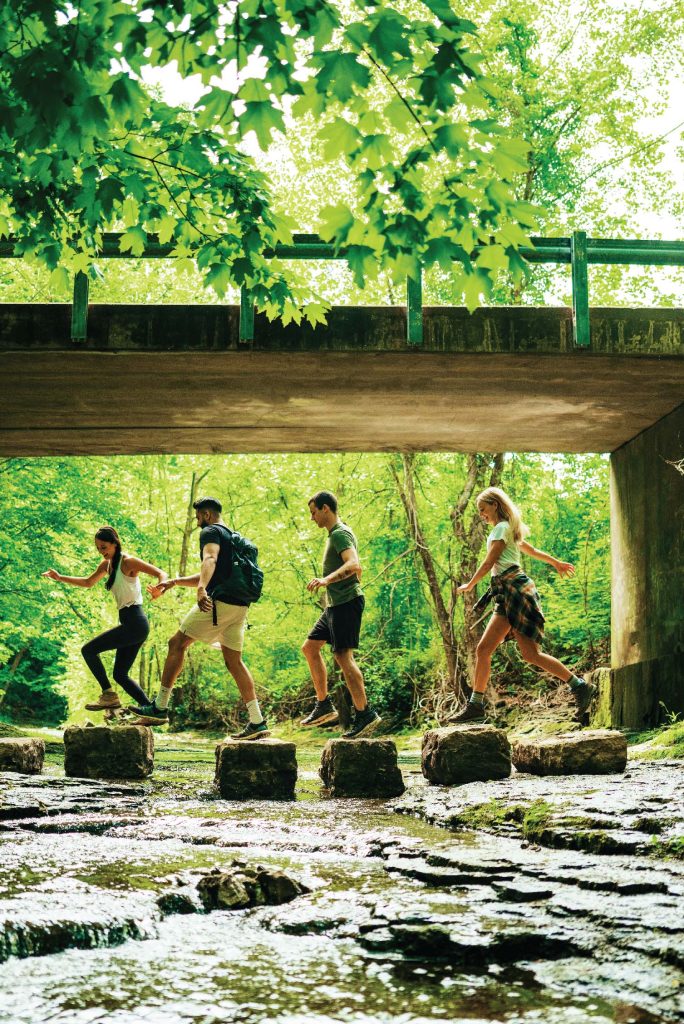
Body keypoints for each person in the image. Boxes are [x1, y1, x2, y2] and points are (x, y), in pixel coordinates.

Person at [130, 497, 269, 740]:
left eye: (197, 517)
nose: (197, 522)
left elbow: (209, 560)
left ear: (206, 514)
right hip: (240, 608)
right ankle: (257, 721)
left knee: (177, 643)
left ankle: (160, 707)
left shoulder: (210, 532)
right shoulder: (232, 537)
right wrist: (175, 582)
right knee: (234, 661)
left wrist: (202, 588)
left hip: (219, 604)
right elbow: (215, 571)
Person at [454, 486, 596, 723]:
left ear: (495, 505)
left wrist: (470, 584)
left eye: (483, 509)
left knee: (516, 652)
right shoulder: (507, 529)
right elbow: (530, 549)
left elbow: (490, 562)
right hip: (508, 594)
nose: (481, 515)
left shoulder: (501, 528)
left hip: (515, 592)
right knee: (512, 652)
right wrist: (555, 562)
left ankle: (579, 686)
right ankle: (476, 707)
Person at [42, 526, 167, 712]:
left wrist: (160, 588)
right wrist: (60, 578)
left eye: (104, 547)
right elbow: (87, 582)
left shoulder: (128, 561)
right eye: (98, 548)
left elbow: (161, 573)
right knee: (120, 674)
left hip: (135, 621)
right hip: (130, 624)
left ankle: (108, 695)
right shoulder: (106, 565)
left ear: (114, 543)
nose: (101, 552)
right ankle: (152, 709)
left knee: (88, 650)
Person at [300, 490, 381, 739]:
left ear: (326, 508)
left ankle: (364, 713)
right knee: (310, 648)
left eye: (314, 512)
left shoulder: (339, 533)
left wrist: (326, 580)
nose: (312, 518)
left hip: (346, 603)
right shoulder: (336, 534)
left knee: (343, 656)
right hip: (335, 605)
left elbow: (354, 564)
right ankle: (324, 704)